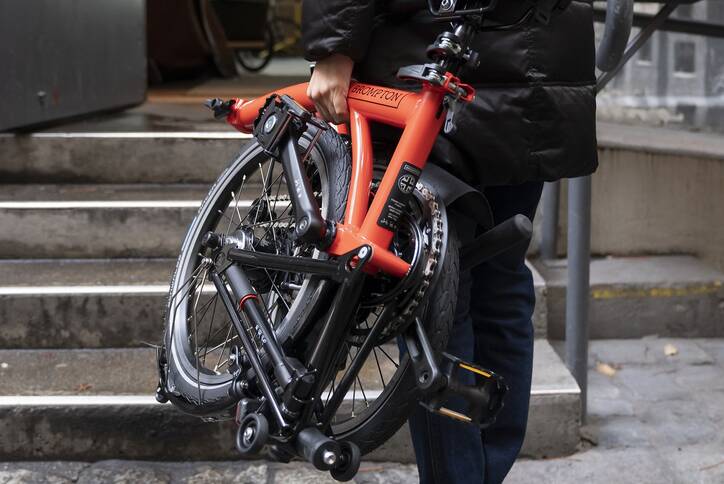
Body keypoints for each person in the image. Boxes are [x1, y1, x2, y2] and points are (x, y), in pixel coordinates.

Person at [301, 1, 597, 482]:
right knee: (495, 282)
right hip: (534, 59)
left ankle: (460, 476)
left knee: (438, 284)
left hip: (433, 51)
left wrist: (334, 45)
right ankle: (478, 472)